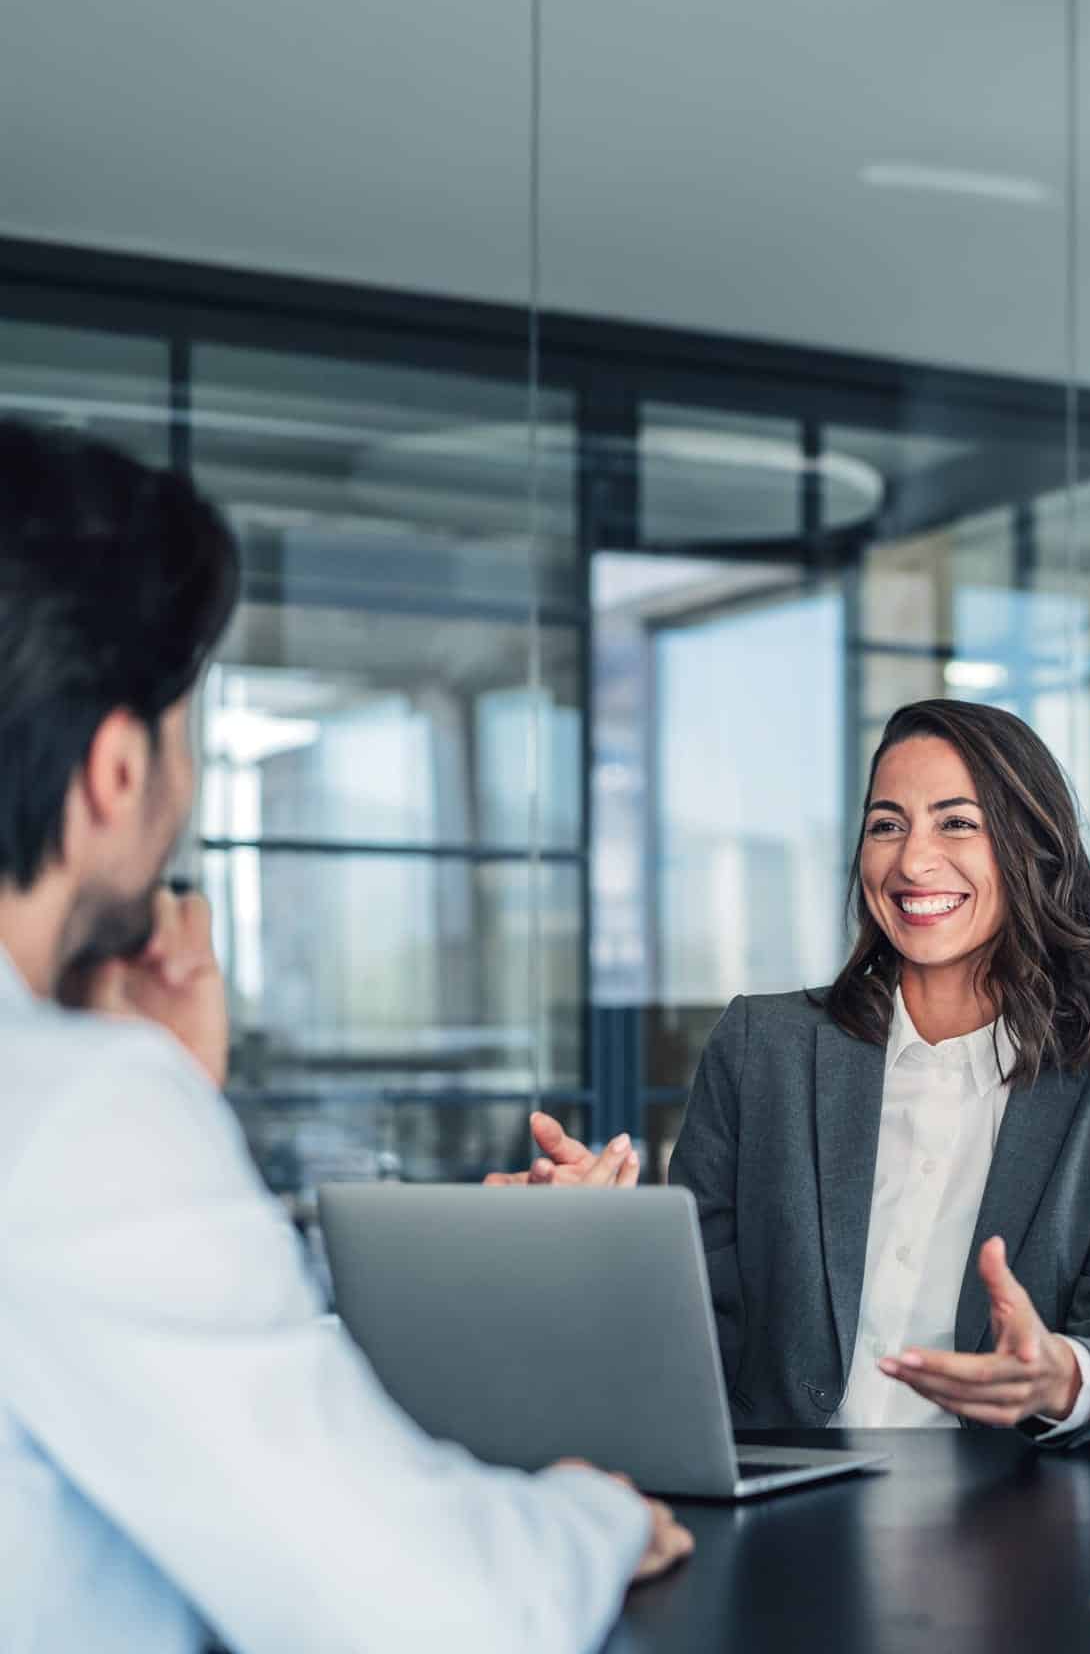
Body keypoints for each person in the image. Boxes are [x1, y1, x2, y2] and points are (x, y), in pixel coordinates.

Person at [0, 421, 692, 1654]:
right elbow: (441, 1613)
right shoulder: (68, 1112)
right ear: (115, 770)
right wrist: (590, 1515)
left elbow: (171, 1382)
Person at [493, 699, 1090, 1441]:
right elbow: (693, 1323)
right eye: (888, 825)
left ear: (1032, 850)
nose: (912, 861)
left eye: (957, 822)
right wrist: (604, 1243)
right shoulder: (764, 1048)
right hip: (779, 1506)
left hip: (996, 1518)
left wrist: (1063, 1374)